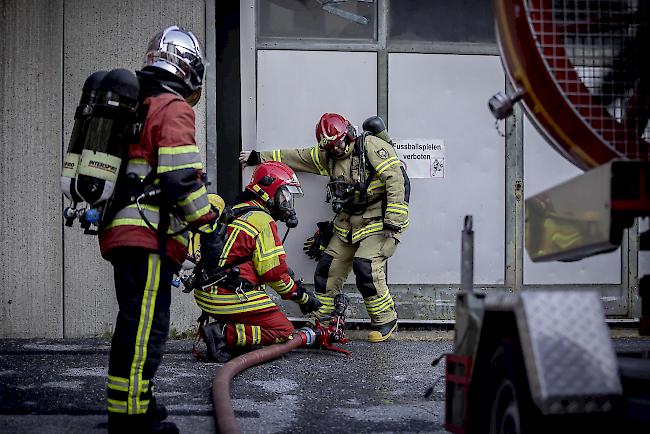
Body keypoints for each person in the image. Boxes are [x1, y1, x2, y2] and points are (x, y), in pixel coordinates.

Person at [98, 25, 214, 434]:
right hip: (148, 235)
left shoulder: (135, 104)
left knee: (138, 320)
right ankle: (128, 420)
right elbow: (181, 178)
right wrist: (207, 220)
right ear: (187, 67)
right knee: (144, 326)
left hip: (121, 232)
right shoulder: (172, 107)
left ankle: (137, 403)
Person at [239, 113, 410, 343]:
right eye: (331, 146)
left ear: (348, 134)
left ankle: (385, 320)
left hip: (380, 222)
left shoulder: (371, 147)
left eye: (339, 142)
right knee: (327, 269)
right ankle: (323, 318)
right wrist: (258, 157)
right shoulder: (328, 155)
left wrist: (393, 221)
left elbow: (396, 180)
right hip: (349, 223)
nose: (337, 149)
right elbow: (296, 157)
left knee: (366, 267)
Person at [191, 162, 322, 362]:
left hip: (206, 293)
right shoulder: (262, 220)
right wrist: (302, 297)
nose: (286, 203)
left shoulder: (236, 209)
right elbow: (273, 274)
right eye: (284, 195)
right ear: (269, 191)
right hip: (228, 296)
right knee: (283, 331)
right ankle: (223, 334)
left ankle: (228, 331)